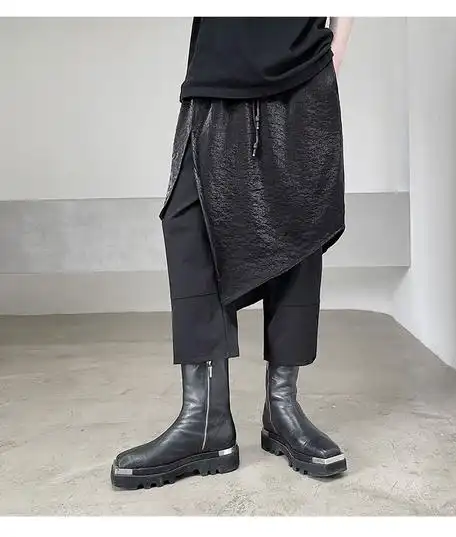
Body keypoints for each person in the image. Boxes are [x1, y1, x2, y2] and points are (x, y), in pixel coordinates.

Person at [111, 16, 353, 490]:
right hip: (215, 69)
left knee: (299, 229)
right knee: (190, 227)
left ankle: (283, 409)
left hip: (301, 68)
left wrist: (336, 47)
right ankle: (205, 421)